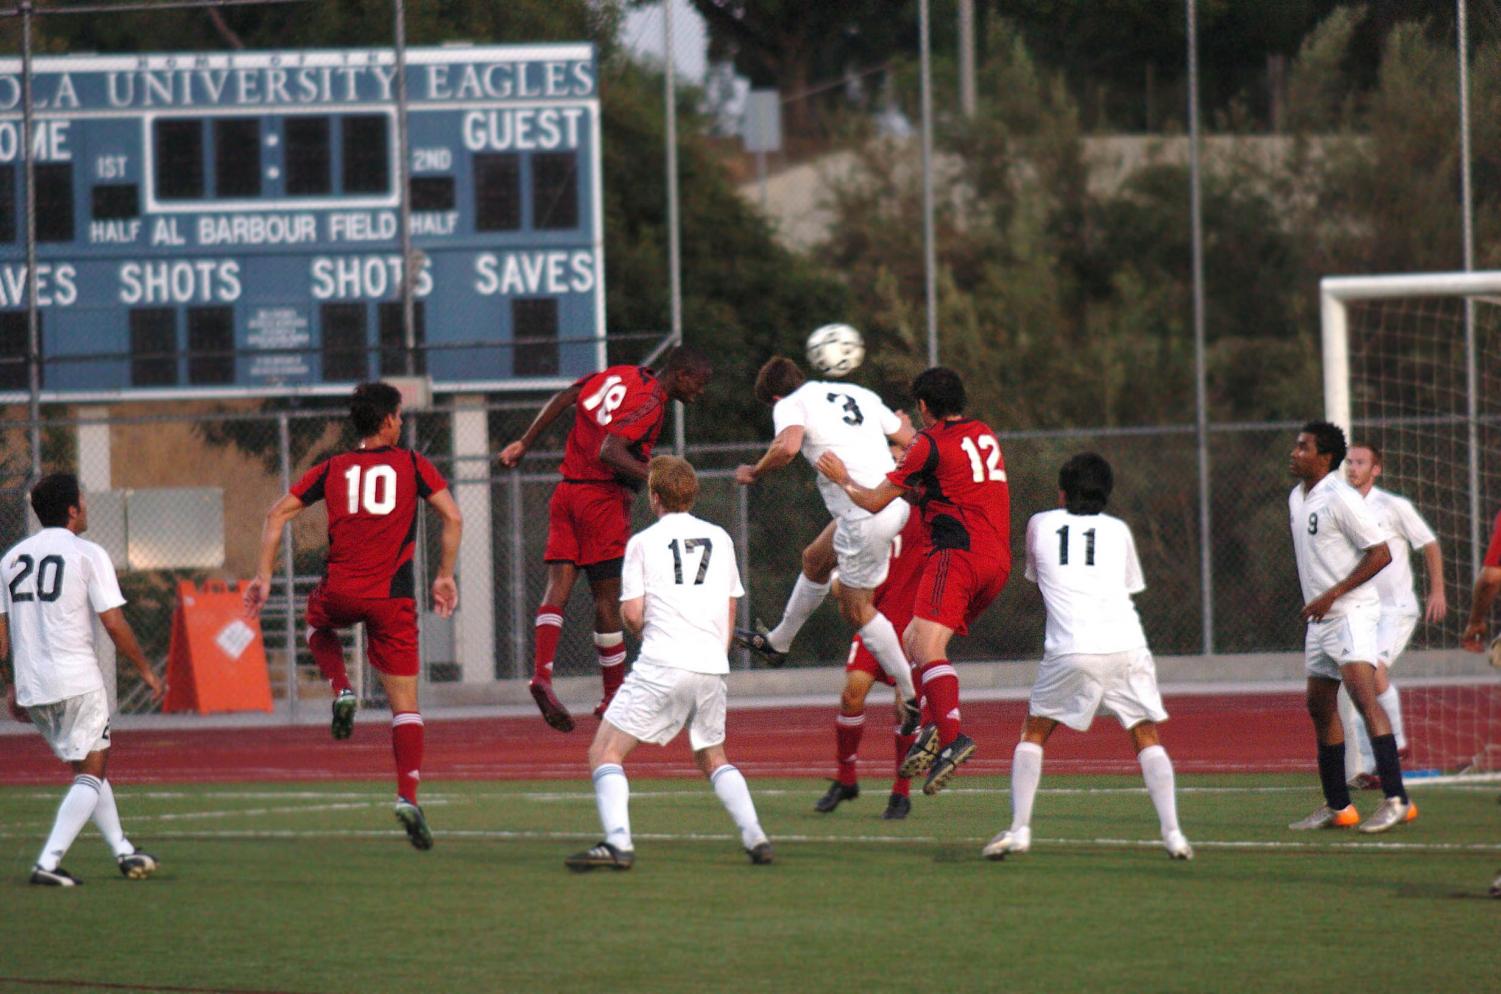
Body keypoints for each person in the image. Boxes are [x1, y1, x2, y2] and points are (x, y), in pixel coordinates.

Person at [244, 381, 462, 851]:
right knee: (405, 705)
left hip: (341, 590)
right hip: (393, 599)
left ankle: (341, 687)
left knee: (316, 623)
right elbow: (453, 517)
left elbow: (275, 514)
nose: (401, 422)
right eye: (399, 416)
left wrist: (263, 575)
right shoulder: (413, 464)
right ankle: (407, 795)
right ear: (386, 421)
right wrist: (444, 574)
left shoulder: (333, 467)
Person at [982, 454, 1192, 861]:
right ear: (1106, 494)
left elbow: (1037, 578)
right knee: (1144, 734)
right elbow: (1129, 585)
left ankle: (1020, 829)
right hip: (1125, 643)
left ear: (1062, 492)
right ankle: (1174, 835)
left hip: (1071, 648)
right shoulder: (1118, 530)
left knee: (1035, 732)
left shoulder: (1040, 524)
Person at [566, 455, 772, 870]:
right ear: (692, 493)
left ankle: (618, 842)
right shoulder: (721, 538)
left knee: (604, 751)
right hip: (711, 664)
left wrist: (645, 632)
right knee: (713, 756)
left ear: (654, 497)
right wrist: (713, 650)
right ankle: (756, 836)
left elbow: (633, 614)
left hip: (662, 662)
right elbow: (730, 613)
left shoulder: (642, 542)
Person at [816, 366, 1011, 795]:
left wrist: (842, 478)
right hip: (996, 559)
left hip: (956, 553)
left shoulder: (927, 444)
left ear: (924, 407)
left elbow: (870, 502)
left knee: (924, 646)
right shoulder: (984, 434)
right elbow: (949, 483)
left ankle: (951, 734)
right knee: (912, 640)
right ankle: (930, 725)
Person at [498, 346, 713, 733]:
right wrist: (657, 480)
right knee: (607, 601)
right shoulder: (651, 402)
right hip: (601, 500)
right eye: (699, 383)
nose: (700, 392)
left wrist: (525, 443)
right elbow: (610, 450)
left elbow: (566, 397)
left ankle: (542, 676)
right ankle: (614, 695)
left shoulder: (622, 374)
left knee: (557, 588)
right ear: (681, 374)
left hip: (566, 491)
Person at [733, 357, 920, 728]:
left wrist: (755, 471)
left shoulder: (790, 403)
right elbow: (910, 439)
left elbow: (787, 448)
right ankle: (778, 643)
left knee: (857, 610)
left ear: (773, 397)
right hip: (886, 502)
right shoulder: (856, 392)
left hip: (864, 515)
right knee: (815, 560)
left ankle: (910, 693)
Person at [1, 473, 165, 885]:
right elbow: (113, 621)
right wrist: (145, 669)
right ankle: (48, 864)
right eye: (84, 501)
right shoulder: (87, 553)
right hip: (76, 679)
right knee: (93, 769)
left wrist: (11, 685)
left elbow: (1, 636)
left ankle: (123, 851)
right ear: (72, 510)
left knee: (86, 770)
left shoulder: (11, 559)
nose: (87, 507)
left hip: (34, 686)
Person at [1285, 420, 1413, 834]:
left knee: (1363, 698)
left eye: (1303, 447)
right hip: (1321, 619)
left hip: (1352, 613)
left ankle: (1397, 800)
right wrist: (1319, 599)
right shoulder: (1297, 497)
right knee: (1319, 707)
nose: (1294, 452)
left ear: (1324, 457)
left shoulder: (1341, 497)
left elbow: (1380, 554)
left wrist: (1332, 594)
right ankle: (1340, 807)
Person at [815, 469, 931, 820]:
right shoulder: (867, 516)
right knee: (852, 693)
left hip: (912, 628)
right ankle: (846, 778)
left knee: (904, 708)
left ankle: (901, 792)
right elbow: (843, 570)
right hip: (874, 622)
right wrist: (838, 584)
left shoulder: (927, 518)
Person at [1339, 443, 1446, 787]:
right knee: (1358, 682)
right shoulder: (1342, 507)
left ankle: (1396, 743)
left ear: (1376, 470)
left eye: (1360, 462)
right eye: (1349, 462)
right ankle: (1374, 768)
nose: (1352, 467)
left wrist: (1438, 590)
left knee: (1373, 673)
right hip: (1364, 612)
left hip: (1396, 609)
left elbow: (1428, 543)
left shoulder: (1393, 506)